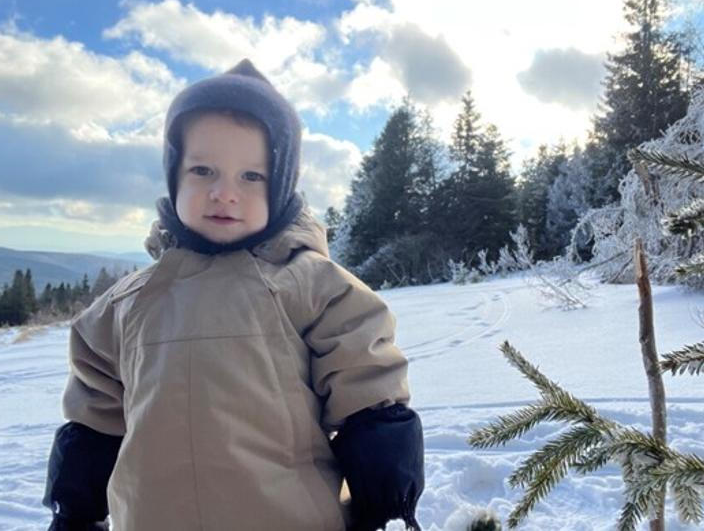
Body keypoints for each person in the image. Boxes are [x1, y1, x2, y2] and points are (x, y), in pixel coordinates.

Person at [42, 59, 424, 531]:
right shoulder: (125, 306)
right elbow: (93, 422)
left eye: (251, 176)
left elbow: (368, 387)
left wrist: (384, 493)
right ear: (174, 175)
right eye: (203, 170)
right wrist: (74, 509)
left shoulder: (312, 286)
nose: (224, 193)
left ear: (281, 184)